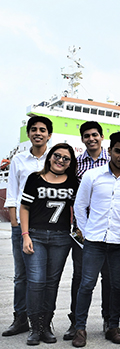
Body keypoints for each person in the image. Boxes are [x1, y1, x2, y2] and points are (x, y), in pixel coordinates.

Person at [72, 132, 120, 348]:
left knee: (117, 286)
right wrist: (86, 230)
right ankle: (80, 328)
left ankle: (113, 326)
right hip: (94, 241)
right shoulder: (93, 175)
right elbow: (80, 206)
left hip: (119, 242)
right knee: (87, 284)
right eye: (118, 151)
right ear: (110, 151)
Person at [20, 143, 78, 345]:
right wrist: (25, 235)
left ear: (70, 163)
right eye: (57, 155)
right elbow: (24, 207)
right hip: (35, 235)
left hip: (61, 238)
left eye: (66, 158)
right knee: (36, 282)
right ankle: (34, 327)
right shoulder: (35, 178)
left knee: (51, 284)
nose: (60, 160)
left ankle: (46, 326)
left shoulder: (73, 182)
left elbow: (80, 208)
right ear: (50, 156)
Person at [3, 116, 52, 337]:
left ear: (49, 135)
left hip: (47, 225)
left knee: (44, 277)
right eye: (34, 129)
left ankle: (42, 320)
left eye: (42, 129)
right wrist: (15, 224)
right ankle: (20, 318)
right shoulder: (18, 160)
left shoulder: (55, 159)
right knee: (21, 275)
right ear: (29, 134)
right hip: (21, 225)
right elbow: (12, 193)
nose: (38, 133)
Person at [64, 121, 111, 341]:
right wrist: (80, 227)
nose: (91, 139)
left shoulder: (113, 161)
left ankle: (109, 321)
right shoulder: (75, 165)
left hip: (109, 230)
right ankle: (76, 323)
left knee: (109, 277)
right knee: (81, 276)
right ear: (82, 139)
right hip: (82, 231)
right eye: (86, 136)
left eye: (94, 135)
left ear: (102, 137)